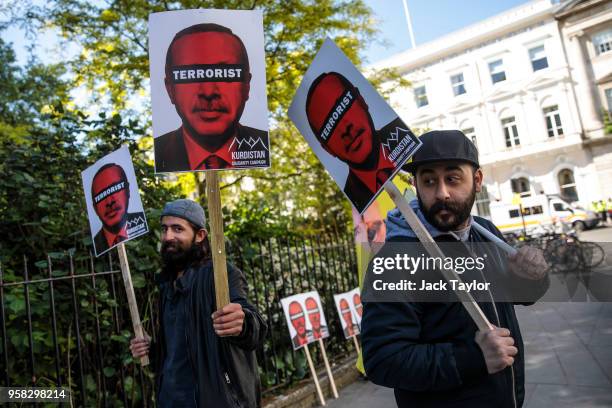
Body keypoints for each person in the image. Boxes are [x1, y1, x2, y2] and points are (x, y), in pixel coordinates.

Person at [361, 130, 550, 407]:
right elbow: (382, 359)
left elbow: (520, 295)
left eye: (452, 179)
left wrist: (532, 278)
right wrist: (472, 357)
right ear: (415, 185)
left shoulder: (486, 232)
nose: (441, 193)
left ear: (477, 180)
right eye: (428, 181)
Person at [129, 199, 266, 407]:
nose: (168, 236)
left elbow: (256, 327)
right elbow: (179, 351)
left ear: (200, 235)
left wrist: (243, 322)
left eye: (177, 229)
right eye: (164, 229)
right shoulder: (166, 283)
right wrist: (152, 349)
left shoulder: (221, 274)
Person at [154, 23, 269, 172]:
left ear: (247, 85)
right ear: (170, 89)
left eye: (224, 73)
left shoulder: (265, 145)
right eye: (191, 75)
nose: (208, 92)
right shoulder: (160, 153)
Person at [305, 71, 416, 212]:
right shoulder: (357, 201)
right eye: (330, 127)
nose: (346, 129)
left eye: (343, 107)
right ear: (327, 149)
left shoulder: (406, 138)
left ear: (361, 100)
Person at [90, 163, 147, 256]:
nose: (109, 201)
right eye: (101, 196)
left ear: (127, 190)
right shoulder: (94, 247)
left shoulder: (145, 226)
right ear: (95, 208)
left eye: (115, 189)